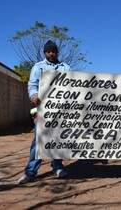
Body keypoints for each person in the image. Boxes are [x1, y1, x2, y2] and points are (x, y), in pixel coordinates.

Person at [18, 40, 71, 184]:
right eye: (48, 51)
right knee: (38, 141)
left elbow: (72, 86)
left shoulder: (65, 67)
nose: (51, 54)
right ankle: (30, 172)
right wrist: (34, 95)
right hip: (42, 110)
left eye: (53, 51)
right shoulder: (38, 67)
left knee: (58, 139)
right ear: (45, 52)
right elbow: (32, 84)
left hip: (61, 111)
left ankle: (57, 166)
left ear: (57, 52)